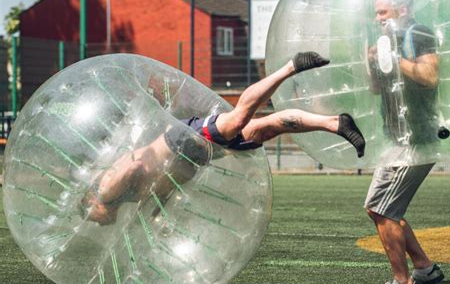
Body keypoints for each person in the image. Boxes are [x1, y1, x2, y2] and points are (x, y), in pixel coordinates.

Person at [82, 51, 366, 226]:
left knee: (238, 119)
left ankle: (290, 66)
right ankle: (335, 123)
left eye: (90, 217)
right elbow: (160, 184)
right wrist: (156, 207)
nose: (95, 224)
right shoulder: (124, 199)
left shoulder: (107, 192)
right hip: (194, 154)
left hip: (181, 142)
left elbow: (136, 168)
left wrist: (144, 196)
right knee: (267, 128)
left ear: (93, 204)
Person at [364, 0, 444, 284]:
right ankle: (424, 268)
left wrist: (396, 60)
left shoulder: (418, 32)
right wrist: (373, 60)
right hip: (397, 138)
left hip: (416, 139)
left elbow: (430, 75)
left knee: (381, 208)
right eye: (376, 13)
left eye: (382, 12)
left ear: (403, 9)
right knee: (379, 209)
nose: (377, 19)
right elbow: (375, 89)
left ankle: (404, 283)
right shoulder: (387, 41)